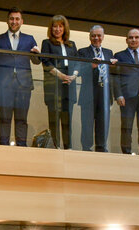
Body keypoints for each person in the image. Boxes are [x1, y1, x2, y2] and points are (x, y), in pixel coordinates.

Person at [0, 8, 40, 146]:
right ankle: (4, 147)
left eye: (17, 19)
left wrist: (37, 54)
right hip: (3, 85)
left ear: (22, 21)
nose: (14, 21)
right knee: (4, 118)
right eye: (12, 18)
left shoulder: (29, 39)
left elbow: (36, 61)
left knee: (22, 119)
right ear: (7, 20)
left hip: (23, 84)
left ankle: (21, 148)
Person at [113, 28, 139, 155]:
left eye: (136, 37)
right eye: (131, 37)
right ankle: (126, 152)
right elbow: (116, 77)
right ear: (126, 40)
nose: (133, 40)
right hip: (127, 96)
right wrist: (119, 94)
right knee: (127, 126)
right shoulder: (119, 55)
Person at [40, 15, 79, 149]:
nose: (57, 29)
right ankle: (55, 148)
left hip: (69, 86)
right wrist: (61, 75)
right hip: (54, 86)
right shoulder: (47, 43)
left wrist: (72, 76)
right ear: (51, 29)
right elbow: (46, 62)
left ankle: (68, 148)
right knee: (54, 120)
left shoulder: (71, 44)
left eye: (60, 26)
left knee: (67, 120)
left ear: (65, 28)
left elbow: (78, 63)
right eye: (55, 26)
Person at [77, 25, 114, 152]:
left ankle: (101, 149)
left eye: (99, 35)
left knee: (103, 125)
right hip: (88, 94)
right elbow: (78, 71)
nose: (96, 38)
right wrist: (90, 66)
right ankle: (86, 149)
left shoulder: (109, 53)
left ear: (103, 37)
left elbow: (112, 76)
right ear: (89, 37)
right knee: (87, 125)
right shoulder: (82, 52)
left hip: (104, 93)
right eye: (93, 35)